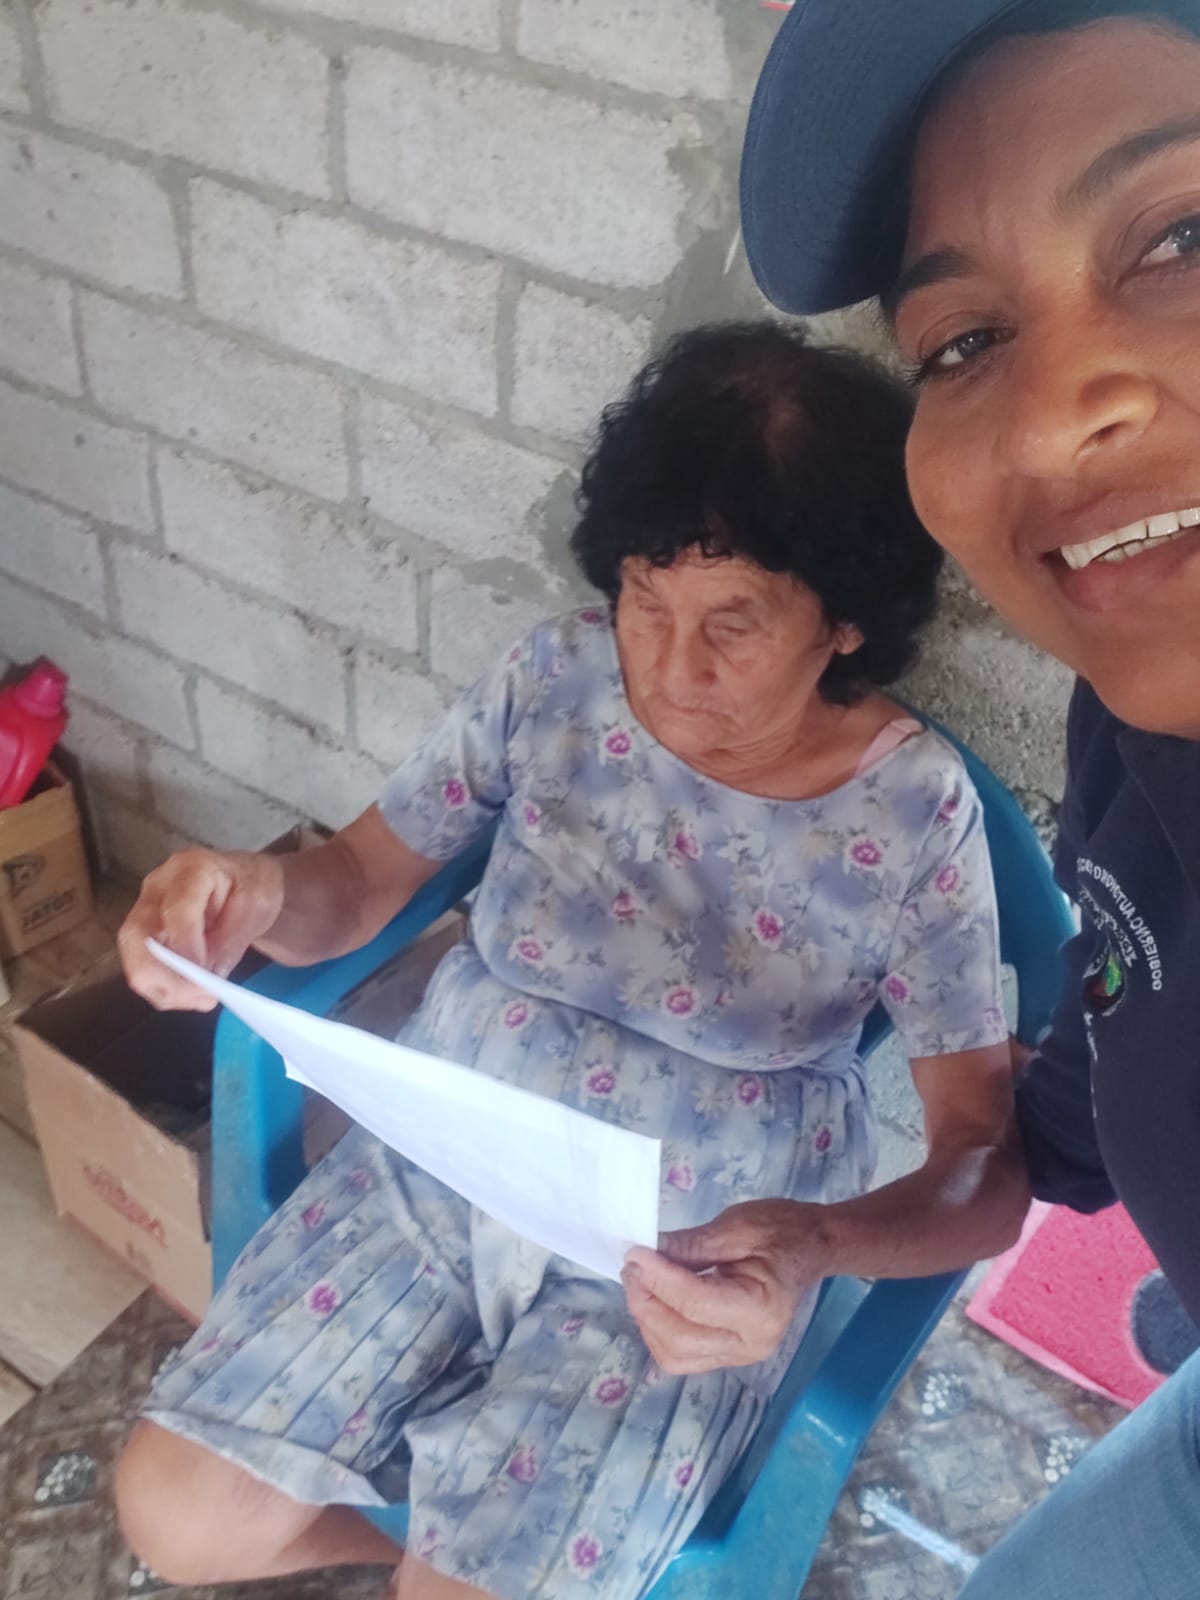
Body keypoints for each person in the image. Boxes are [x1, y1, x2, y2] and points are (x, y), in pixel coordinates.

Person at [112, 323, 1019, 1600]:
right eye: (645, 599)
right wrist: (253, 895)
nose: (671, 669)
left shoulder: (914, 811)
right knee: (174, 1516)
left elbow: (982, 1158)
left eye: (735, 622)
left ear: (847, 624)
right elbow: (357, 883)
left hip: (683, 1252)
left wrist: (812, 1246)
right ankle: (430, 1534)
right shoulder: (554, 678)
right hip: (443, 1160)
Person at [740, 2, 1200, 1595]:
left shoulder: (923, 804)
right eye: (962, 342)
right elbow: (1070, 1117)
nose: (1059, 417)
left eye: (1182, 236)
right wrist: (816, 1236)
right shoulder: (1133, 732)